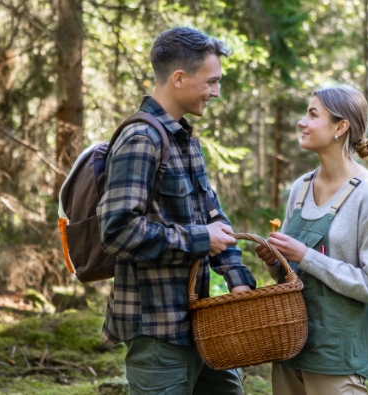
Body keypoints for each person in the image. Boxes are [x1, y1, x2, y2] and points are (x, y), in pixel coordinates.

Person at [97, 27, 256, 395]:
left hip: (200, 325)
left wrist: (236, 275)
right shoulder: (142, 139)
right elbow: (117, 231)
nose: (217, 92)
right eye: (212, 81)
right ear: (179, 78)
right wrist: (202, 239)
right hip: (157, 334)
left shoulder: (184, 139)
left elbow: (213, 215)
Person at [255, 85, 368, 395]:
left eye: (312, 114)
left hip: (338, 359)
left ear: (340, 127)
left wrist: (305, 255)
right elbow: (293, 275)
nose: (301, 122)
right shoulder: (300, 189)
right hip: (289, 351)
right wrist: (276, 261)